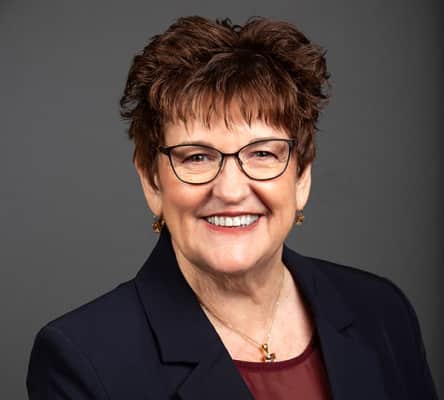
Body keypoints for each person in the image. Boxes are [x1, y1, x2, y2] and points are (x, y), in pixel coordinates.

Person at [26, 16, 438, 400]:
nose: (230, 190)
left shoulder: (381, 312)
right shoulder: (83, 358)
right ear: (152, 182)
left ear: (301, 177)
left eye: (262, 153)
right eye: (197, 157)